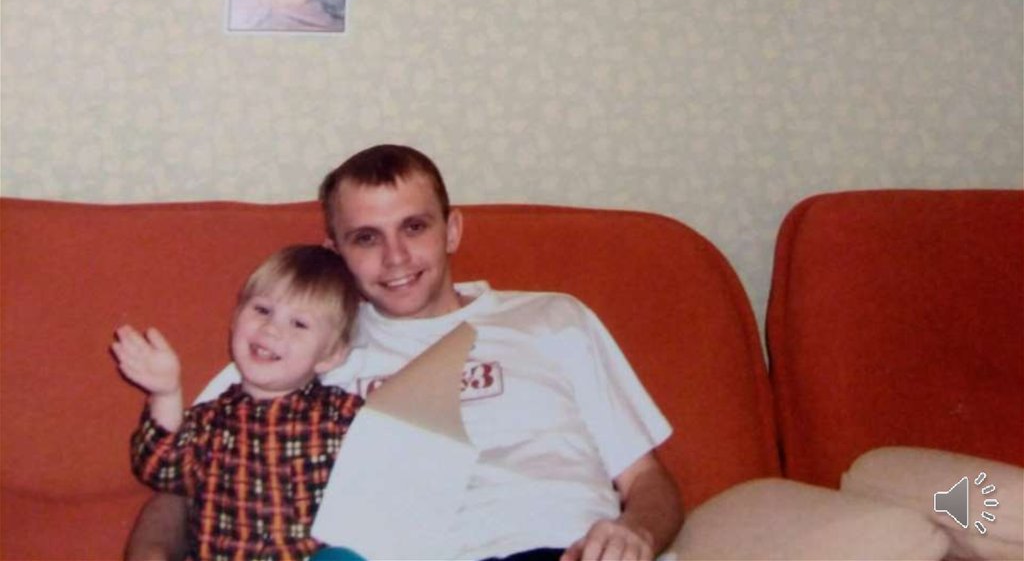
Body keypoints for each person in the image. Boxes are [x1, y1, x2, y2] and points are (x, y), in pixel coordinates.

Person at [126, 145, 683, 561]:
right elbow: (186, 484)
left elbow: (646, 481)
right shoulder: (302, 342)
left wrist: (636, 532)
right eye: (367, 237)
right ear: (336, 252)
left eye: (414, 227)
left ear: (452, 230)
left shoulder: (554, 319)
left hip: (563, 548)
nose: (395, 258)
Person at [113, 245, 364, 561]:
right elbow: (159, 471)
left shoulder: (346, 416)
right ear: (235, 318)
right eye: (262, 310)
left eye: (299, 324)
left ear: (331, 355)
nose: (271, 329)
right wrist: (166, 393)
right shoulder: (208, 421)